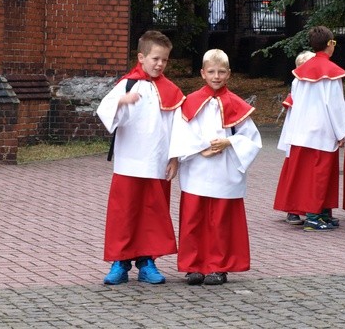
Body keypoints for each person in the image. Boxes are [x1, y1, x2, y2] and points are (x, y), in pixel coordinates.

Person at [96, 30, 186, 285]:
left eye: (164, 60)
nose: (159, 64)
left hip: (157, 162)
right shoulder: (127, 85)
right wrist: (121, 102)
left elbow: (178, 127)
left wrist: (175, 158)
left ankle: (147, 260)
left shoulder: (171, 90)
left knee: (152, 214)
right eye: (155, 58)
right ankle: (120, 262)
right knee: (124, 213)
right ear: (141, 57)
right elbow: (106, 112)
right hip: (129, 162)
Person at [169, 49, 262, 286]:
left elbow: (251, 138)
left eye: (221, 72)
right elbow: (180, 132)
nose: (216, 76)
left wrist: (229, 141)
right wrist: (200, 148)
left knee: (221, 221)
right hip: (198, 168)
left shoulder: (236, 104)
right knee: (193, 219)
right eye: (211, 71)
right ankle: (193, 266)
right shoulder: (189, 102)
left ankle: (218, 266)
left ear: (229, 74)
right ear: (202, 73)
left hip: (224, 170)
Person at [273, 26, 345, 231]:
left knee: (309, 175)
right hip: (322, 130)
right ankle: (314, 216)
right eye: (333, 43)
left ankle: (320, 212)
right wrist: (342, 131)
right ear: (329, 45)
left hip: (302, 130)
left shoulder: (300, 73)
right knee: (320, 175)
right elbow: (335, 105)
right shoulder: (331, 73)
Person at [275, 50, 316, 226]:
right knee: (295, 171)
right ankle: (293, 209)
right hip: (298, 133)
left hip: (309, 133)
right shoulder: (299, 83)